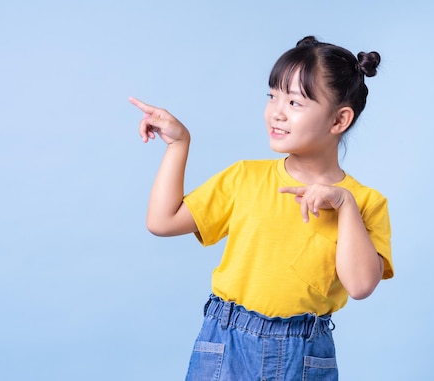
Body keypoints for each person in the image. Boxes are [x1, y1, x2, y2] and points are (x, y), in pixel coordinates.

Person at [129, 35, 393, 381]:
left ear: (338, 121)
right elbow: (162, 221)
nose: (276, 112)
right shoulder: (244, 177)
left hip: (305, 353)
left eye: (295, 102)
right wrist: (179, 144)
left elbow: (359, 286)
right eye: (272, 96)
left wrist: (344, 205)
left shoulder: (365, 202)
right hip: (227, 342)